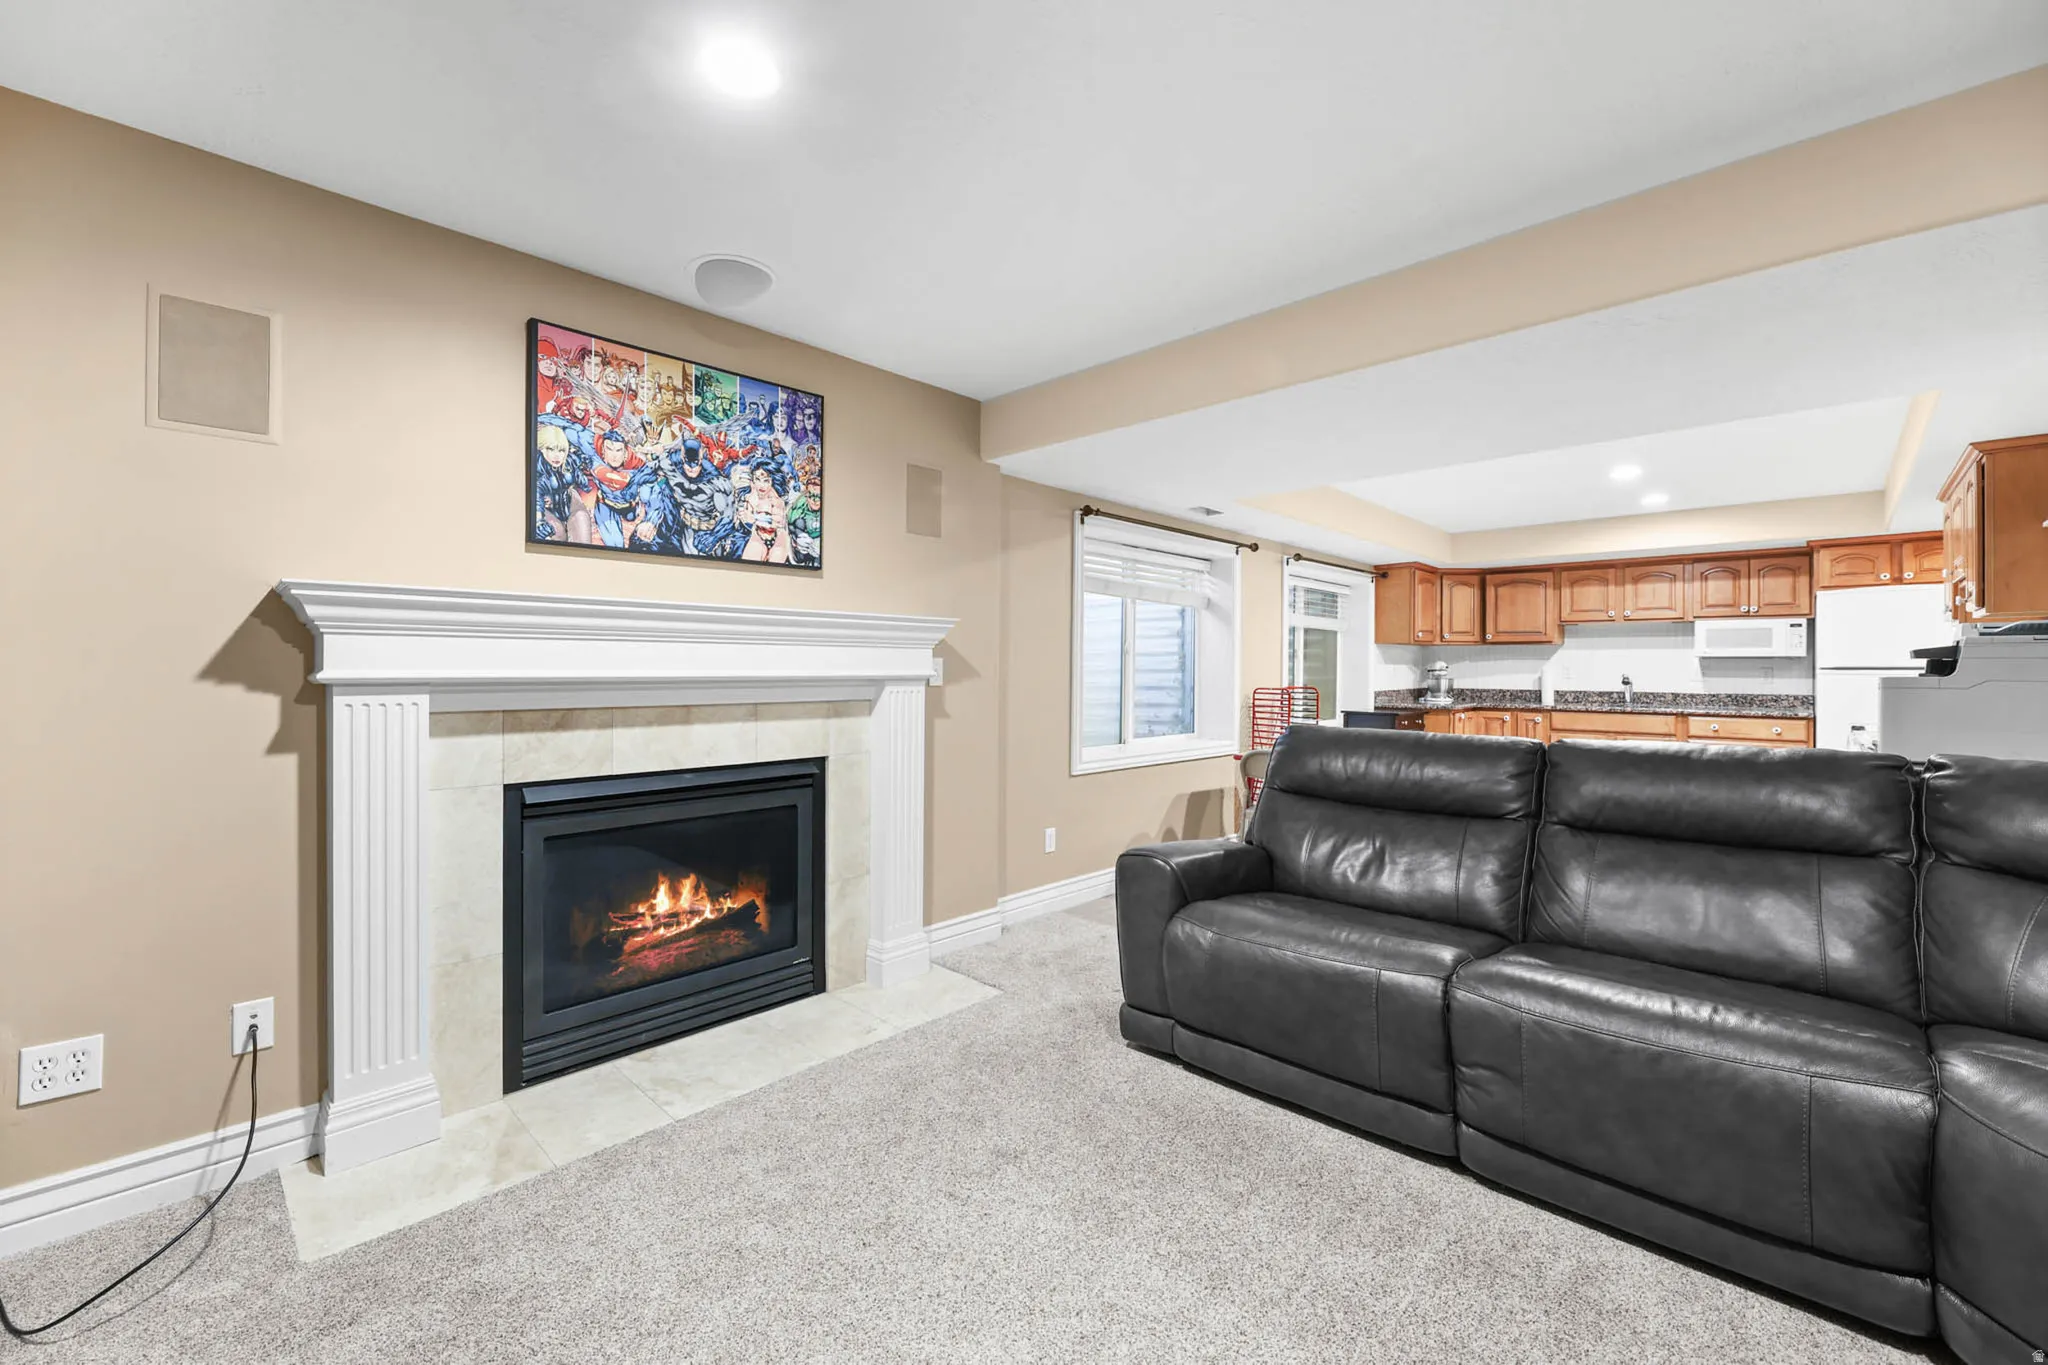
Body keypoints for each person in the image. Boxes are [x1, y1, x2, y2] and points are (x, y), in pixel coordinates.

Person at [532, 419, 593, 544]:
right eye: (551, 449)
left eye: (561, 451)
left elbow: (579, 469)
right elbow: (537, 500)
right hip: (547, 507)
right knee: (557, 533)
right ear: (542, 449)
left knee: (581, 519)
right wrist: (538, 523)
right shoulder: (537, 471)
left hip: (568, 500)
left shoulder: (569, 461)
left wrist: (584, 464)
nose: (557, 456)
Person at [736, 460, 793, 564]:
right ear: (753, 480)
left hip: (778, 539)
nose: (761, 485)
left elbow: (776, 523)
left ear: (772, 481)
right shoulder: (751, 496)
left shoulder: (776, 501)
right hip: (758, 536)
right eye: (758, 479)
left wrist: (755, 518)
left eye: (766, 480)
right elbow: (747, 517)